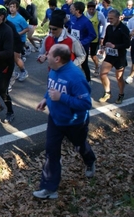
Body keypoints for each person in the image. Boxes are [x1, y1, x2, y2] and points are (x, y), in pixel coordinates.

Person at [33, 44, 96, 199]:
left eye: (49, 54)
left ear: (58, 58)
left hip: (74, 123)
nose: (46, 55)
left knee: (80, 145)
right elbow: (51, 88)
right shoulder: (54, 70)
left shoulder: (75, 77)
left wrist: (62, 98)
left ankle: (90, 160)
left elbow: (86, 104)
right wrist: (45, 99)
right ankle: (49, 189)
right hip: (55, 119)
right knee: (51, 152)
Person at [99, 9, 130, 104]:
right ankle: (107, 92)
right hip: (110, 55)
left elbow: (127, 44)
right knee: (102, 74)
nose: (110, 20)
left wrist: (115, 46)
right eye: (109, 18)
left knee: (119, 78)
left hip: (120, 57)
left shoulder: (124, 28)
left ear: (118, 18)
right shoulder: (109, 28)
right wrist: (103, 48)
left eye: (112, 18)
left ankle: (121, 94)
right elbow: (106, 40)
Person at [67, 1, 96, 83]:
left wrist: (82, 43)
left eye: (72, 8)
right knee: (71, 62)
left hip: (82, 47)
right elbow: (70, 29)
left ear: (78, 10)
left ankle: (88, 80)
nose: (70, 10)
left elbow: (93, 35)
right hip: (72, 46)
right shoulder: (72, 18)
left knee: (84, 64)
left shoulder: (86, 22)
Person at [6, 0, 29, 82]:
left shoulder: (20, 18)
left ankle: (24, 72)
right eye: (10, 7)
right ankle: (13, 73)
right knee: (9, 57)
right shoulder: (8, 17)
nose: (12, 8)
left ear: (17, 8)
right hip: (11, 39)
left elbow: (27, 29)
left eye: (13, 7)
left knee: (16, 58)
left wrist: (19, 33)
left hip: (19, 40)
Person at [84, 1, 106, 77]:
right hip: (86, 38)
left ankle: (97, 67)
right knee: (84, 54)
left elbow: (104, 25)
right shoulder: (85, 14)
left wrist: (102, 36)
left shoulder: (99, 15)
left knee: (93, 55)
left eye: (93, 9)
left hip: (95, 38)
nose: (91, 11)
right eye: (90, 9)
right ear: (87, 9)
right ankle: (84, 69)